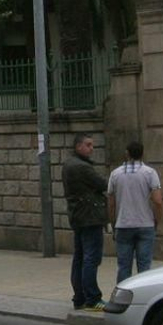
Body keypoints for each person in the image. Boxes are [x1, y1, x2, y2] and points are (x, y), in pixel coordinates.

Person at [62, 133, 108, 311]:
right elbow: (103, 184)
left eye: (92, 145)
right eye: (88, 145)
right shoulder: (82, 167)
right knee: (91, 257)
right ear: (78, 146)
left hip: (78, 216)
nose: (92, 148)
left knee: (79, 257)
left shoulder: (69, 164)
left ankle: (79, 297)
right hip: (90, 217)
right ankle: (92, 297)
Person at [107, 140, 163, 283]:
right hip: (145, 224)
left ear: (127, 154)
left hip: (123, 224)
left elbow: (111, 204)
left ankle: (122, 297)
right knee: (144, 266)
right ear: (142, 154)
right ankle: (143, 297)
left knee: (124, 266)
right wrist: (156, 220)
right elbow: (158, 201)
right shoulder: (150, 173)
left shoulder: (115, 174)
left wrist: (113, 224)